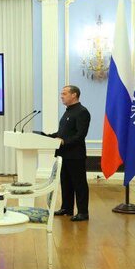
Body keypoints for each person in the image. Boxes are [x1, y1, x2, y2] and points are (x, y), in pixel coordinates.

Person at [48, 85, 91, 221]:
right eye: (62, 93)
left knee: (79, 184)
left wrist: (64, 141)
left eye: (64, 93)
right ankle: (67, 208)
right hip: (63, 154)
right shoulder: (68, 111)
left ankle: (83, 212)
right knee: (65, 182)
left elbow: (80, 135)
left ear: (74, 95)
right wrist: (47, 136)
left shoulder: (82, 112)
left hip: (75, 155)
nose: (61, 96)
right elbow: (62, 133)